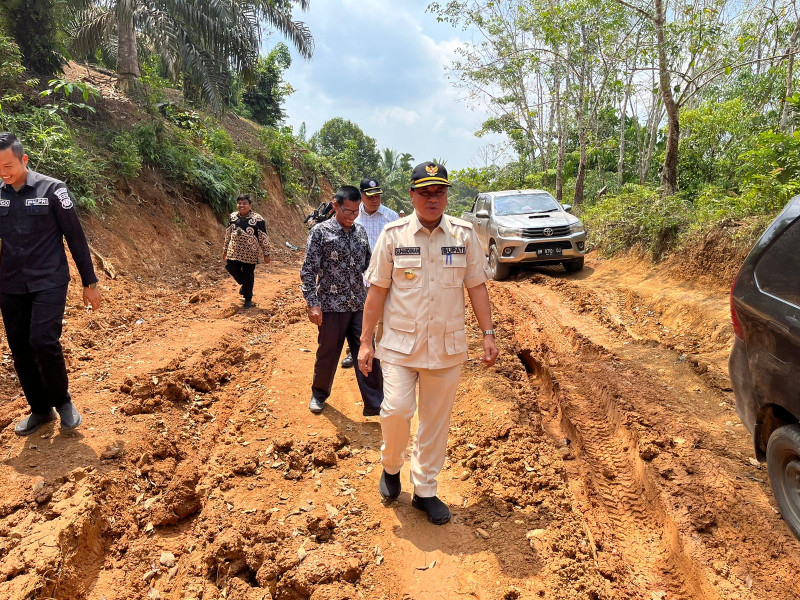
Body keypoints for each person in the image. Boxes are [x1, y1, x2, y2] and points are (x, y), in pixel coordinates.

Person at [357, 161, 499, 525]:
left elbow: (477, 287)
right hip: (400, 346)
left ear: (447, 195)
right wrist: (365, 342)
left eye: (439, 192)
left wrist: (488, 334)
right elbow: (376, 291)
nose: (432, 199)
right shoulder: (394, 235)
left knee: (435, 422)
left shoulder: (464, 235)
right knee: (396, 411)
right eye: (425, 192)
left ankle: (425, 491)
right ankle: (391, 467)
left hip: (447, 346)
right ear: (412, 195)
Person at [0, 132, 102, 436]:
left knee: (43, 341)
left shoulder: (54, 190)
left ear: (24, 160)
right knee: (19, 348)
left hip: (49, 280)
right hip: (10, 284)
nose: (3, 174)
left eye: (8, 167)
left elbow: (76, 237)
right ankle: (40, 410)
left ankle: (63, 401)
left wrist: (90, 281)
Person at [301, 185, 384, 417]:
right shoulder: (320, 232)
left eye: (356, 211)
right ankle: (319, 394)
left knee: (367, 352)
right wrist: (312, 302)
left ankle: (375, 403)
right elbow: (308, 270)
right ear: (335, 205)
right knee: (328, 352)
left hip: (359, 303)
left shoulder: (360, 232)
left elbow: (369, 267)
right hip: (330, 305)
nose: (352, 216)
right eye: (348, 211)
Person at [339, 177, 400, 369]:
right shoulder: (354, 216)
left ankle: (382, 352)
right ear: (361, 196)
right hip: (358, 274)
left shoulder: (391, 217)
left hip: (385, 274)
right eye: (370, 196)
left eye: (378, 196)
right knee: (358, 314)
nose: (375, 200)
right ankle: (354, 351)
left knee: (384, 314)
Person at [223, 194, 271, 309]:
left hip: (250, 253)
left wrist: (266, 254)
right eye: (239, 203)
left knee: (248, 275)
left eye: (244, 203)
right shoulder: (233, 217)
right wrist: (225, 249)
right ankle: (245, 285)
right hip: (233, 251)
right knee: (230, 267)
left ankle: (248, 299)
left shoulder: (257, 219)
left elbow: (263, 236)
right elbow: (228, 233)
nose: (241, 205)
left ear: (250, 206)